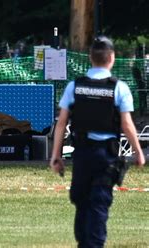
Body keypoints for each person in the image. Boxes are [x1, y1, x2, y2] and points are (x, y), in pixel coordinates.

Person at [50, 36, 145, 247]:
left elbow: (61, 122)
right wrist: (138, 152)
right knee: (99, 203)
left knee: (81, 201)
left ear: (90, 59)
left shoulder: (75, 86)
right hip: (106, 156)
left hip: (82, 154)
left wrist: (56, 155)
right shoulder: (118, 88)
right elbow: (127, 125)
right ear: (111, 58)